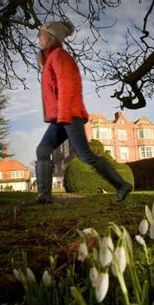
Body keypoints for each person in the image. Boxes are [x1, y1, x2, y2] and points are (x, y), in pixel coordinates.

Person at [23, 21, 132, 205]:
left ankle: (122, 185)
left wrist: (64, 115)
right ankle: (44, 195)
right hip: (62, 115)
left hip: (69, 114)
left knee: (85, 155)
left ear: (51, 36)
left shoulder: (59, 56)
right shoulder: (51, 57)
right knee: (43, 149)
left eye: (41, 34)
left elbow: (67, 86)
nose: (39, 38)